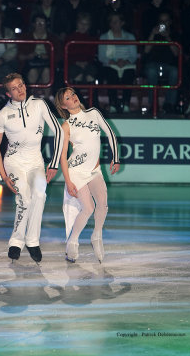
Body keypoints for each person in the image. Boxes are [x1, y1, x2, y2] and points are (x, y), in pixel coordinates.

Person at [0, 72, 64, 263]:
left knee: (39, 195)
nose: (20, 89)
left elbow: (59, 132)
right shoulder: (3, 115)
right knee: (24, 197)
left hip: (36, 162)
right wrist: (4, 175)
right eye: (14, 88)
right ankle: (16, 241)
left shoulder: (39, 105)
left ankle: (33, 241)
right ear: (8, 94)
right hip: (13, 162)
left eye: (21, 85)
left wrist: (54, 164)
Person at [54, 87, 120, 263]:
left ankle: (96, 236)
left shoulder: (93, 113)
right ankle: (73, 241)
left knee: (103, 205)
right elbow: (62, 156)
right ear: (63, 104)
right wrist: (68, 181)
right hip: (76, 171)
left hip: (95, 170)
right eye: (68, 97)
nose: (73, 97)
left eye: (73, 94)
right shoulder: (66, 126)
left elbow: (110, 133)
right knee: (88, 208)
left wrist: (116, 158)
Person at [98, 11, 137, 113]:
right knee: (111, 75)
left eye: (117, 21)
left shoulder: (130, 37)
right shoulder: (104, 37)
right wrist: (114, 62)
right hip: (110, 64)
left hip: (127, 64)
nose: (114, 24)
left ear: (122, 23)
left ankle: (126, 103)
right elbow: (102, 57)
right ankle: (113, 103)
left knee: (129, 75)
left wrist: (126, 61)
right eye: (112, 22)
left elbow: (133, 55)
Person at [143, 10, 180, 114]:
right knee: (151, 71)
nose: (163, 24)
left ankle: (169, 104)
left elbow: (177, 53)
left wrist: (168, 37)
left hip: (169, 65)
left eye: (166, 21)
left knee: (175, 72)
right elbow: (146, 50)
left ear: (170, 22)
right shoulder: (151, 32)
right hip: (152, 64)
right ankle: (153, 104)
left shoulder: (175, 34)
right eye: (161, 21)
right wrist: (152, 34)